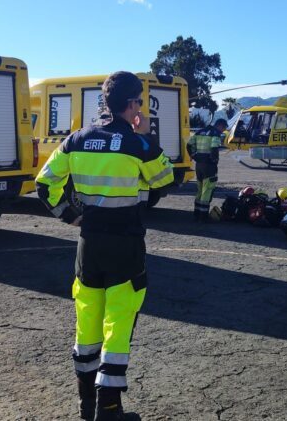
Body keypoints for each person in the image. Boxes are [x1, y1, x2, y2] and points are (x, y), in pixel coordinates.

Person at [35, 71, 174, 420]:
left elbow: (45, 184)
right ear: (131, 105)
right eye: (139, 101)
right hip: (125, 245)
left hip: (89, 244)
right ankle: (108, 411)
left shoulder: (76, 140)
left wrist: (70, 216)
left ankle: (87, 407)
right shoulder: (136, 143)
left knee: (88, 326)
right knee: (118, 325)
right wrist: (144, 135)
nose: (140, 106)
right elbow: (164, 178)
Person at [186, 118, 228, 222]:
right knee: (207, 190)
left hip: (199, 165)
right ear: (220, 126)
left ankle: (196, 213)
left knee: (200, 189)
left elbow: (189, 144)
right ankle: (203, 216)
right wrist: (214, 160)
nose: (223, 131)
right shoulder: (215, 133)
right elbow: (214, 148)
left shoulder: (200, 131)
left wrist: (194, 156)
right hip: (209, 166)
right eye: (223, 128)